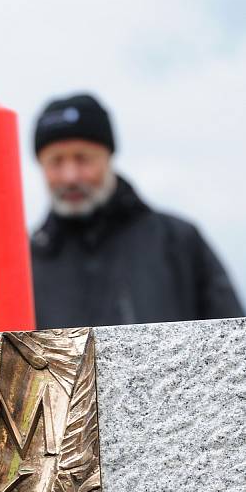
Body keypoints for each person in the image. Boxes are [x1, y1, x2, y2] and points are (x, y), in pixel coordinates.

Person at [31, 93, 243, 328]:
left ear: (108, 157)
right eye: (56, 161)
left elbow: (233, 343)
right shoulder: (26, 264)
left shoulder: (179, 241)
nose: (70, 176)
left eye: (83, 159)